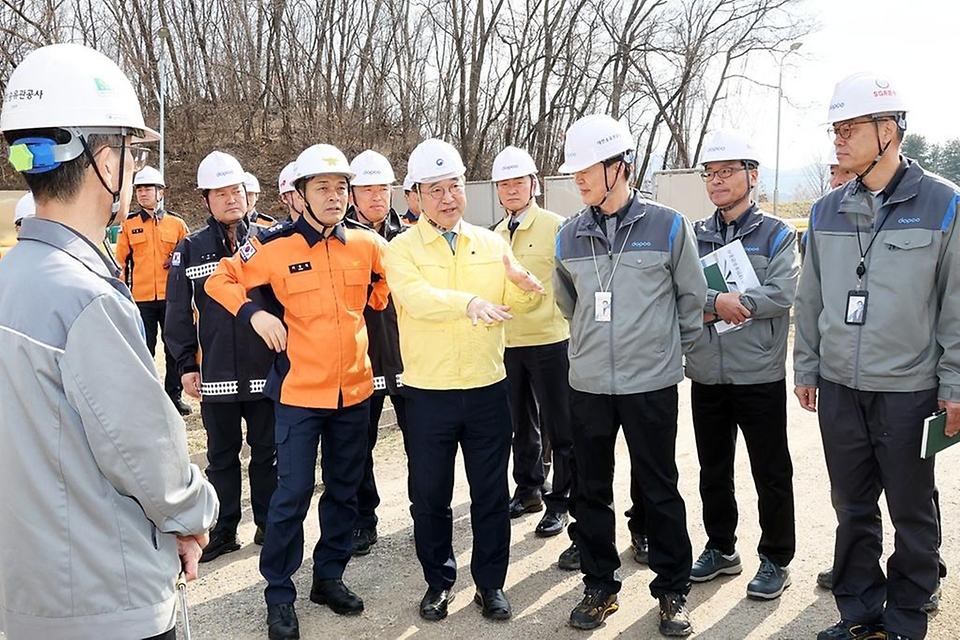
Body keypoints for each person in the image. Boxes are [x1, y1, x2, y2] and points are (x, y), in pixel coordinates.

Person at [0, 42, 218, 640]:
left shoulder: (10, 279)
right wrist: (196, 513)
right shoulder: (84, 297)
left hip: (27, 599)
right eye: (129, 147)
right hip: (106, 603)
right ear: (104, 158)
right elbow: (151, 462)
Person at [795, 72, 960, 640]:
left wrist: (954, 384)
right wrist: (806, 366)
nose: (837, 141)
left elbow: (956, 305)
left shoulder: (945, 205)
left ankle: (908, 614)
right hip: (840, 386)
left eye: (849, 129)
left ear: (887, 131)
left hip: (909, 389)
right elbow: (810, 296)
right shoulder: (824, 212)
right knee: (851, 506)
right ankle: (859, 612)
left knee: (911, 507)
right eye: (835, 130)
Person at [205, 143, 388, 640]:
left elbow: (388, 286)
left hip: (353, 392)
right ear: (300, 196)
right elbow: (219, 280)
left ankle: (328, 578)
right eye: (323, 188)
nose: (335, 196)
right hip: (299, 397)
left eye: (341, 187)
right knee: (292, 495)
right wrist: (255, 313)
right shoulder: (271, 244)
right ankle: (279, 594)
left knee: (344, 493)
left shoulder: (367, 245)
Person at [554, 114, 706, 637]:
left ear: (619, 167)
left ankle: (671, 591)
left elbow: (692, 300)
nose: (578, 178)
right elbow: (568, 301)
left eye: (587, 168)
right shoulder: (568, 234)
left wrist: (665, 354)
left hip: (651, 384)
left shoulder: (668, 225)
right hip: (589, 385)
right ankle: (600, 586)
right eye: (574, 170)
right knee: (590, 489)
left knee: (659, 487)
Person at [383, 138, 545, 623]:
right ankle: (439, 582)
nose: (448, 197)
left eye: (454, 186)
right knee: (429, 495)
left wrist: (525, 286)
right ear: (414, 196)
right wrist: (468, 302)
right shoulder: (401, 250)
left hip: (486, 389)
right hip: (429, 394)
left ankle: (490, 584)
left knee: (490, 494)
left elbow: (519, 309)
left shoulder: (492, 244)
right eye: (435, 190)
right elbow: (417, 299)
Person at [684, 130, 798, 600]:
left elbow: (782, 292)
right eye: (710, 174)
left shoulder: (777, 233)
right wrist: (717, 299)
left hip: (759, 374)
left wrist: (734, 304)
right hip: (707, 372)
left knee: (770, 470)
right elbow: (681, 293)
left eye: (727, 172)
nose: (717, 182)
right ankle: (721, 548)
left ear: (752, 176)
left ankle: (775, 557)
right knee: (713, 468)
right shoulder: (692, 234)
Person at [165, 151, 279, 563]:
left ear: (248, 194)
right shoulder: (190, 248)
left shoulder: (268, 239)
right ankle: (225, 528)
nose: (231, 199)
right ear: (206, 199)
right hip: (216, 374)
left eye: (237, 190)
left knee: (267, 454)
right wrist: (185, 365)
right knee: (221, 457)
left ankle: (268, 522)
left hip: (266, 370)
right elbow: (177, 313)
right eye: (221, 192)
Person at [490, 145, 574, 540]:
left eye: (517, 182)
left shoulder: (557, 226)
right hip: (509, 342)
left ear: (533, 185)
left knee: (559, 424)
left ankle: (562, 501)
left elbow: (572, 282)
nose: (510, 190)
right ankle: (528, 489)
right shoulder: (493, 235)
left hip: (550, 339)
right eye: (503, 184)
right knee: (518, 423)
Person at [346, 149, 410, 555]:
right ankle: (362, 521)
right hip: (361, 361)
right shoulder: (342, 242)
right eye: (366, 189)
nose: (375, 196)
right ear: (352, 194)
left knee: (421, 444)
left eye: (382, 188)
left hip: (410, 360)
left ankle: (424, 514)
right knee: (358, 446)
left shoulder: (412, 237)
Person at [115, 164, 192, 415]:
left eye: (148, 188)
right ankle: (145, 399)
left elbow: (189, 259)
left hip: (172, 300)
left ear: (161, 192)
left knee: (173, 350)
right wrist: (121, 295)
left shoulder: (177, 224)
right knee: (144, 350)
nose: (142, 193)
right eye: (138, 189)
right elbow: (119, 263)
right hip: (141, 299)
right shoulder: (129, 226)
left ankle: (173, 398)